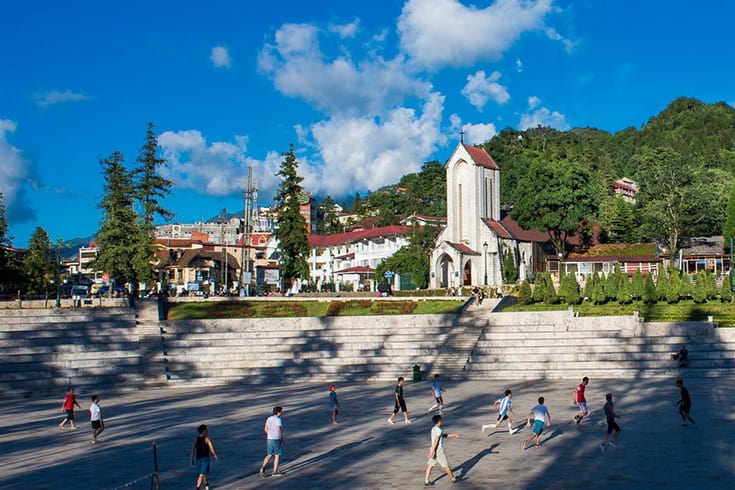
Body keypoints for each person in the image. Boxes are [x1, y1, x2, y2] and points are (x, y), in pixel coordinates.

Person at [424, 414, 461, 486]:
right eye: (441, 420)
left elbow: (443, 435)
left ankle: (426, 481)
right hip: (438, 450)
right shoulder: (438, 430)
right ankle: (453, 479)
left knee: (430, 465)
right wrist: (433, 451)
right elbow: (436, 441)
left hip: (433, 448)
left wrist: (453, 435)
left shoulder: (433, 429)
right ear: (439, 421)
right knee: (445, 465)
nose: (442, 421)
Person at [190, 424, 218, 490]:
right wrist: (192, 459)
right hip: (201, 459)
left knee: (201, 474)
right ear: (203, 431)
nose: (207, 431)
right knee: (202, 473)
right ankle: (206, 483)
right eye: (206, 430)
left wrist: (214, 455)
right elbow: (193, 449)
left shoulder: (198, 439)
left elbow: (192, 449)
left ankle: (197, 487)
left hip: (204, 459)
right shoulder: (206, 439)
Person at [260, 406, 285, 477]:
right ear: (278, 412)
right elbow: (279, 430)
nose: (281, 413)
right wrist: (282, 439)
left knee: (269, 455)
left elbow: (265, 429)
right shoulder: (278, 419)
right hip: (276, 439)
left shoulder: (269, 418)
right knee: (277, 456)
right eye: (281, 411)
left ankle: (263, 467)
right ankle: (275, 471)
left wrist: (269, 434)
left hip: (269, 439)